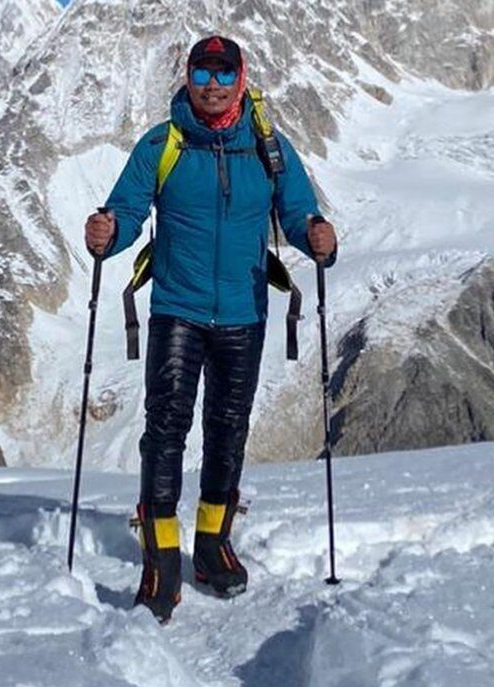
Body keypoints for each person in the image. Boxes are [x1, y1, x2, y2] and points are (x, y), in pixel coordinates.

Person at [84, 35, 337, 622]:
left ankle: (212, 544)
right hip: (178, 307)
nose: (213, 86)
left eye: (224, 74)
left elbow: (296, 212)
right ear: (188, 78)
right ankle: (161, 557)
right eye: (202, 74)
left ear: (241, 79)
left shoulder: (268, 147)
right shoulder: (163, 144)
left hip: (244, 312)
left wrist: (317, 235)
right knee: (165, 429)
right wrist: (108, 232)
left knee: (228, 429)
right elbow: (128, 209)